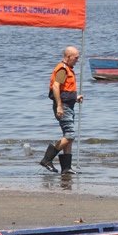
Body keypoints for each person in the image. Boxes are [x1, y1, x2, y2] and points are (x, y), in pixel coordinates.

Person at [40, 46, 83, 174]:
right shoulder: (62, 70)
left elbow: (65, 90)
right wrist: (59, 105)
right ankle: (47, 159)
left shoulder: (68, 69)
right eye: (76, 58)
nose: (77, 60)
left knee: (67, 137)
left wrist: (75, 97)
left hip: (68, 105)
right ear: (68, 57)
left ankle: (66, 168)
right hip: (63, 107)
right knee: (70, 135)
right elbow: (56, 86)